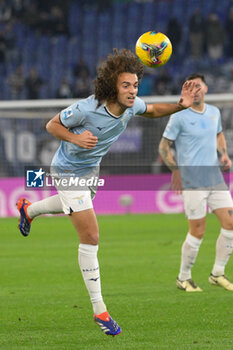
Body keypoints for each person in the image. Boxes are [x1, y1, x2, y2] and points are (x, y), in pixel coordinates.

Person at [17, 49, 199, 335]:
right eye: (126, 85)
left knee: (73, 206)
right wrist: (76, 137)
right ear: (112, 85)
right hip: (67, 170)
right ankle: (99, 310)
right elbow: (52, 125)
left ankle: (29, 210)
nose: (132, 90)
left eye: (135, 85)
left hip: (90, 171)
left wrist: (182, 105)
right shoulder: (87, 108)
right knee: (90, 235)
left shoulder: (132, 105)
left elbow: (152, 111)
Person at [159, 73, 233, 292]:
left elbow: (219, 134)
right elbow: (164, 146)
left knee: (230, 224)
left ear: (206, 88)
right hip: (193, 182)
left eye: (198, 87)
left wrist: (224, 154)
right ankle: (184, 277)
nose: (196, 91)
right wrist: (175, 170)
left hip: (215, 179)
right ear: (187, 92)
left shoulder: (214, 112)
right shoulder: (179, 116)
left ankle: (217, 273)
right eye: (191, 88)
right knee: (198, 230)